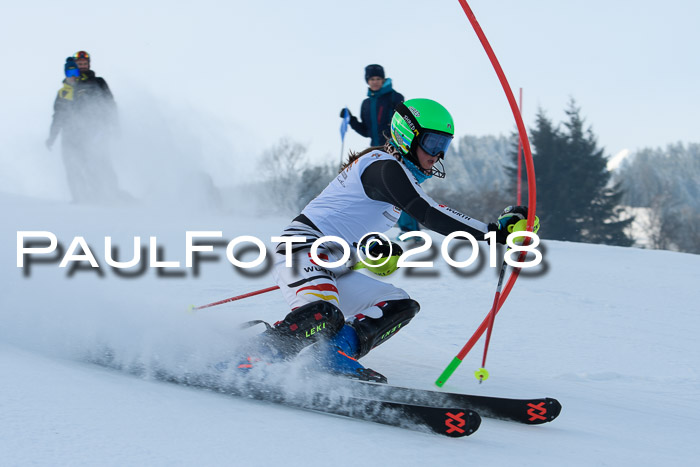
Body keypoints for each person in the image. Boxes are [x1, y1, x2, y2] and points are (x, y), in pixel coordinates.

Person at [240, 98, 539, 383]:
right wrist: (494, 232)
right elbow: (427, 211)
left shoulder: (395, 176)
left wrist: (376, 251)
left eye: (444, 145)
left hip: (333, 265)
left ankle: (332, 356)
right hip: (301, 251)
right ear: (407, 135)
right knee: (325, 315)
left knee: (400, 305)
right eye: (432, 143)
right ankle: (254, 356)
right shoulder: (383, 165)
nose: (438, 154)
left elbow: (351, 226)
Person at [46, 52, 121, 203]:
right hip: (71, 135)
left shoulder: (97, 83)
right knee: (72, 166)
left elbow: (109, 104)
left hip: (94, 131)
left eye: (84, 64)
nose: (79, 69)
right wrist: (52, 137)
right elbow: (58, 116)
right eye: (73, 70)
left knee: (98, 163)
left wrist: (114, 124)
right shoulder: (64, 92)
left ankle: (110, 194)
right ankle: (79, 198)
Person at [341, 64, 404, 147]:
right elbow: (366, 131)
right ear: (368, 81)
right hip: (375, 148)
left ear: (383, 80)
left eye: (378, 79)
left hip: (394, 146)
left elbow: (403, 122)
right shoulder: (366, 104)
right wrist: (351, 120)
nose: (375, 82)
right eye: (372, 79)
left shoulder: (395, 97)